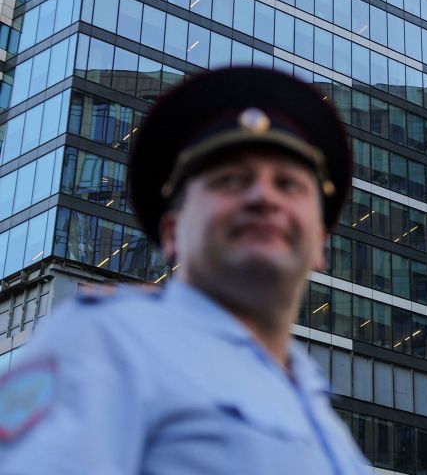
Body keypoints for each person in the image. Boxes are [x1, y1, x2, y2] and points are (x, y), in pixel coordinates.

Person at [0, 67, 371, 474]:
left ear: (319, 241)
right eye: (230, 180)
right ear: (172, 232)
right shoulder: (108, 340)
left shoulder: (321, 410)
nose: (263, 196)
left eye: (288, 184)